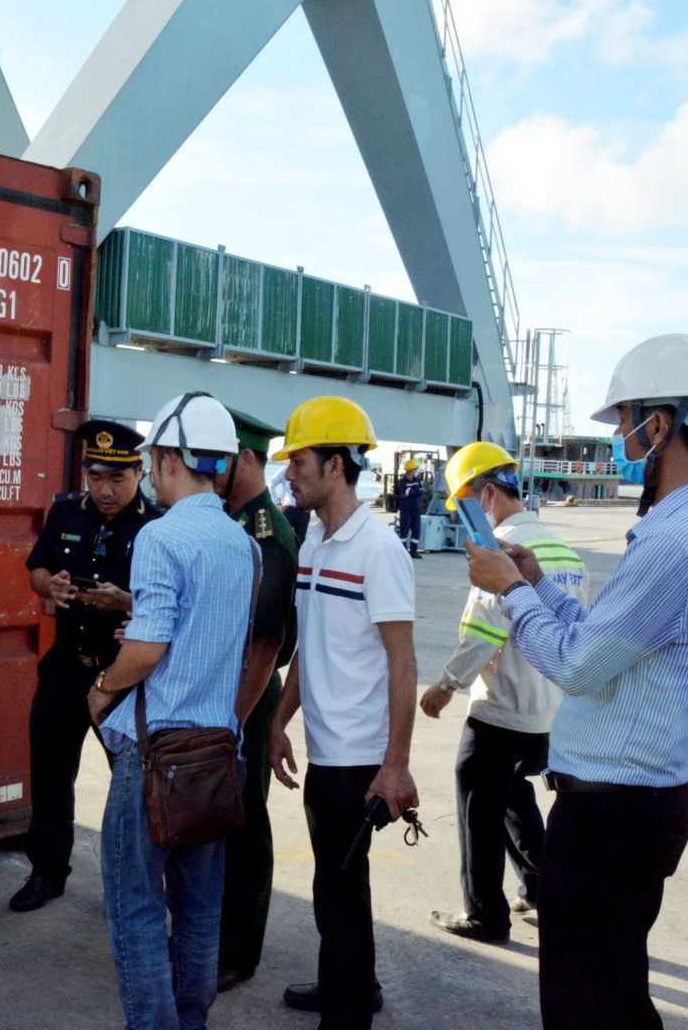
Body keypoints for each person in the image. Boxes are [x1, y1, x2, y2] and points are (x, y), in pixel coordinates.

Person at [465, 333, 688, 1029]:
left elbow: (578, 664)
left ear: (659, 426)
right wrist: (537, 584)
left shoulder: (673, 541)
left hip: (612, 820)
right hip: (631, 809)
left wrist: (509, 591)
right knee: (614, 995)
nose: (620, 439)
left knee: (586, 1006)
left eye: (624, 424)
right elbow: (605, 639)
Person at [86, 391, 254, 1030]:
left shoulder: (160, 536)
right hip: (217, 751)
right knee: (199, 907)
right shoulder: (242, 544)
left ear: (165, 459)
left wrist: (103, 686)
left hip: (157, 757)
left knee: (134, 908)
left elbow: (148, 648)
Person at [267, 396, 419, 1029]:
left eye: (298, 461)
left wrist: (396, 767)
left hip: (360, 757)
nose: (290, 473)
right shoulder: (315, 543)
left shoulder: (377, 549)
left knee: (341, 891)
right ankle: (350, 985)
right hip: (326, 749)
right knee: (335, 887)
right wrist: (278, 719)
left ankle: (350, 1008)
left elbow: (404, 663)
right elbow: (310, 641)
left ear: (335, 465)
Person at [420, 442, 589, 944]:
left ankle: (483, 914)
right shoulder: (565, 551)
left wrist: (445, 686)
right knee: (514, 793)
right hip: (549, 707)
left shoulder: (498, 553)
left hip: (502, 705)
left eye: (469, 505)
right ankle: (541, 887)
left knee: (477, 800)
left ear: (487, 494)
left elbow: (483, 634)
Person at [11, 419, 160, 912]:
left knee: (134, 784)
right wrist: (46, 585)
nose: (105, 489)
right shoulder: (65, 512)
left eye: (117, 478)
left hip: (122, 676)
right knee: (51, 774)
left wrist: (126, 602)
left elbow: (170, 607)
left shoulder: (156, 527)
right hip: (65, 667)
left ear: (139, 473)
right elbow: (37, 566)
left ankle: (136, 886)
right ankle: (47, 871)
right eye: (96, 477)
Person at [214, 407, 300, 992]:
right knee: (216, 818)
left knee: (243, 823)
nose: (210, 469)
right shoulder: (229, 520)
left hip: (247, 693)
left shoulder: (266, 530)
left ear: (247, 458)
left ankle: (238, 952)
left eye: (221, 458)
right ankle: (211, 933)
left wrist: (235, 723)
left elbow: (268, 641)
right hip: (225, 688)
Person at [396, 458, 426, 559]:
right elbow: (406, 493)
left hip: (416, 510)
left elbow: (421, 491)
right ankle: (403, 552)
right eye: (415, 469)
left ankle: (414, 551)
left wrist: (412, 490)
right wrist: (415, 491)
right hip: (406, 510)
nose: (416, 470)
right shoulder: (402, 482)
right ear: (410, 470)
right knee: (404, 531)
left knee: (416, 530)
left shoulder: (417, 480)